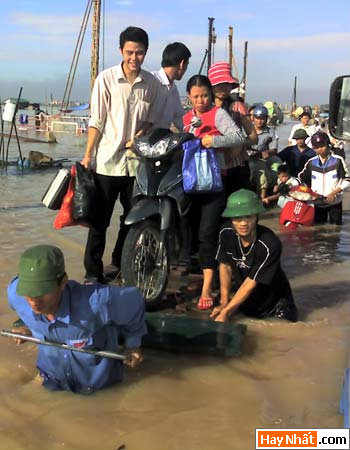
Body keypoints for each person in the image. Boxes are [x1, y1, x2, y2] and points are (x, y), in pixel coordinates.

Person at [7, 245, 146, 394]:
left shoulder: (96, 302)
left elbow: (135, 302)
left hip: (99, 387)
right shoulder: (16, 295)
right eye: (28, 293)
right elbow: (22, 308)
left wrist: (132, 345)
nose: (34, 301)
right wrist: (26, 326)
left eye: (42, 292)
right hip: (50, 378)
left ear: (63, 283)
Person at [81, 26, 161, 283]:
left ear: (145, 53)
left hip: (135, 164)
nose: (134, 58)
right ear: (120, 51)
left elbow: (150, 120)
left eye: (139, 53)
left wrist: (140, 135)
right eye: (129, 52)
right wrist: (87, 156)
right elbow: (96, 121)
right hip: (106, 162)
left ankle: (119, 263)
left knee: (132, 218)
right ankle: (92, 273)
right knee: (98, 222)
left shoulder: (151, 83)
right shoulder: (105, 79)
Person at [182, 75, 245, 310]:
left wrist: (213, 140)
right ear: (189, 97)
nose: (201, 100)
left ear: (211, 95)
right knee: (189, 230)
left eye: (205, 95)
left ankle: (208, 287)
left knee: (207, 233)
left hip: (214, 184)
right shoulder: (185, 118)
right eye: (196, 96)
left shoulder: (218, 114)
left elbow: (237, 136)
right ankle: (202, 276)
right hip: (190, 184)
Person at [210, 189, 298, 323]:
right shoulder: (225, 232)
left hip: (274, 304)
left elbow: (250, 283)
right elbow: (225, 266)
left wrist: (227, 311)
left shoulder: (270, 245)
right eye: (238, 218)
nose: (243, 223)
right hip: (246, 298)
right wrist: (224, 302)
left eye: (249, 217)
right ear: (231, 219)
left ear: (257, 217)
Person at [208, 61, 257, 196]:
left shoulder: (237, 106)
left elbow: (253, 137)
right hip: (213, 167)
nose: (223, 88)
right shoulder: (207, 109)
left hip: (237, 166)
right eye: (219, 84)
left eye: (226, 84)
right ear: (211, 86)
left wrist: (239, 144)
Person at [298, 131, 350, 225]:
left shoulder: (338, 160)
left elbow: (347, 180)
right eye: (316, 147)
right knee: (318, 228)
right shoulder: (311, 162)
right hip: (317, 202)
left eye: (322, 146)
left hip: (335, 202)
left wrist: (334, 193)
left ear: (328, 145)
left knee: (336, 230)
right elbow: (301, 179)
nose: (320, 149)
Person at [152, 42, 191, 131]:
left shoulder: (173, 90)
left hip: (159, 141)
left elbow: (181, 120)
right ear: (182, 64)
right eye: (187, 64)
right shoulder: (152, 81)